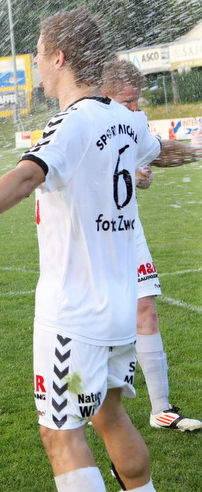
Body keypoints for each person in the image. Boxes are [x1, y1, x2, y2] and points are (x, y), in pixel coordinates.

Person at [0, 8, 159, 492]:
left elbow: (27, 175)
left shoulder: (71, 124)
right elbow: (159, 150)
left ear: (59, 58)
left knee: (60, 434)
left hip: (74, 319)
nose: (36, 62)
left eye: (38, 53)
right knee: (107, 412)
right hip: (119, 314)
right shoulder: (125, 120)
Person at [102, 59, 202, 432]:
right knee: (100, 323)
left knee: (146, 309)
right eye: (128, 100)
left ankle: (161, 409)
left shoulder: (135, 123)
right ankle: (82, 404)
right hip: (94, 237)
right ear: (105, 94)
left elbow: (157, 155)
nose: (135, 107)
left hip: (130, 231)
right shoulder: (87, 123)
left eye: (138, 100)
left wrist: (196, 154)